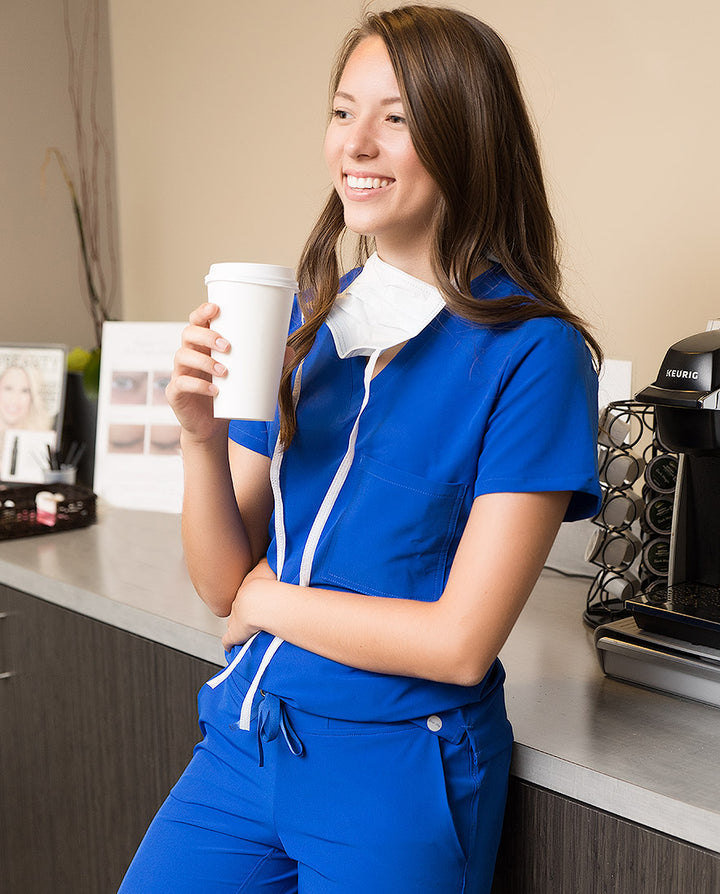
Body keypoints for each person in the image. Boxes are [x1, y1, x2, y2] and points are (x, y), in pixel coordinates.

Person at [118, 6, 601, 892]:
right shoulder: (304, 323)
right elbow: (221, 582)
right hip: (245, 744)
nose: (358, 144)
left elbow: (459, 642)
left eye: (399, 117)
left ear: (468, 137)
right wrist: (198, 436)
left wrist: (268, 603)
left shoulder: (535, 356)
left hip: (396, 775)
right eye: (344, 112)